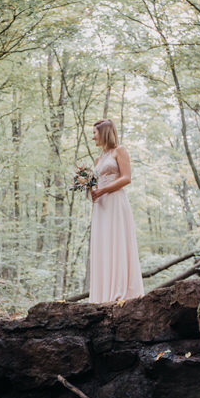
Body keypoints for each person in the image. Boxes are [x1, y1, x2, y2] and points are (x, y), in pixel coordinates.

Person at [88, 119, 143, 303]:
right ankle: (103, 294)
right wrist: (90, 189)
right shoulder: (98, 159)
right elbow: (96, 185)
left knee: (117, 241)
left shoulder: (119, 150)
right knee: (103, 244)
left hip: (115, 202)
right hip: (101, 207)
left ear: (104, 133)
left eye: (95, 132)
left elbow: (127, 178)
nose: (93, 136)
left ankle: (121, 291)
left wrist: (104, 190)